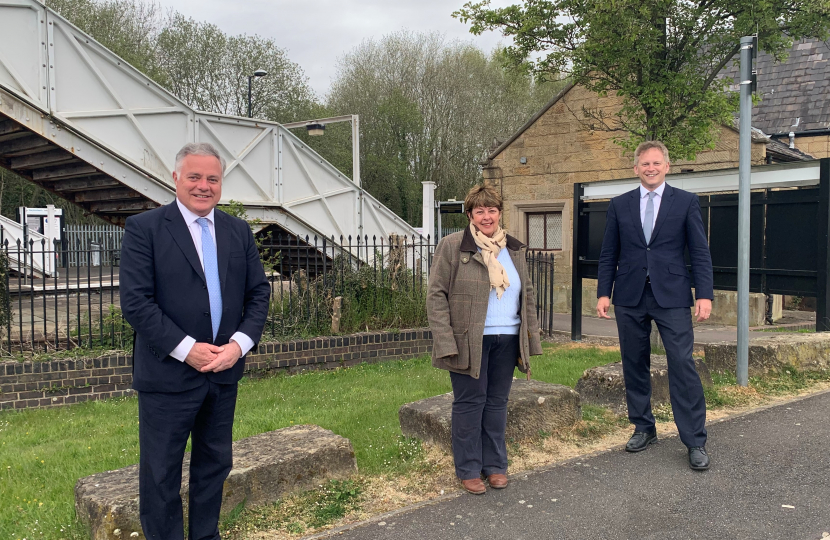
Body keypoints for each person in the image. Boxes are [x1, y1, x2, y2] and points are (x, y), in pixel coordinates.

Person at [120, 142, 270, 539]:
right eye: (194, 177)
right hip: (167, 377)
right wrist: (187, 350)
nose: (203, 186)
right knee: (161, 474)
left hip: (223, 373)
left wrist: (239, 345)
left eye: (212, 179)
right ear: (175, 178)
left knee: (214, 466)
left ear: (221, 183)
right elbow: (136, 303)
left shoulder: (237, 231)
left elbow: (259, 294)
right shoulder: (145, 229)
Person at [596, 140, 714, 470]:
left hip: (672, 295)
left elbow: (700, 252)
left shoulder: (686, 202)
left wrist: (704, 293)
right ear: (636, 168)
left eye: (656, 163)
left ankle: (694, 440)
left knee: (681, 362)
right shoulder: (619, 205)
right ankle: (643, 427)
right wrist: (603, 292)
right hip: (630, 296)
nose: (650, 168)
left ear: (667, 166)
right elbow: (608, 253)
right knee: (634, 362)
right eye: (644, 164)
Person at [427, 184, 543, 494]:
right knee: (469, 403)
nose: (486, 216)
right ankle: (468, 469)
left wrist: (531, 337)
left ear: (500, 213)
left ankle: (495, 466)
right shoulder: (453, 246)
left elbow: (527, 294)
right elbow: (436, 295)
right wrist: (445, 341)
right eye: (479, 210)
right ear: (470, 214)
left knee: (496, 404)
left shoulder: (514, 249)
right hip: (469, 340)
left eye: (492, 210)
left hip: (508, 338)